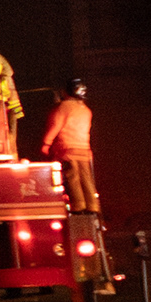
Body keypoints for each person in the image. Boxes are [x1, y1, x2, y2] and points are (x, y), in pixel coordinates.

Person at [41, 78, 98, 212]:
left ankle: (79, 206)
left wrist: (46, 144)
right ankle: (93, 206)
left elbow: (55, 126)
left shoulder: (63, 107)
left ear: (67, 91)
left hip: (67, 149)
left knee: (73, 178)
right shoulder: (86, 110)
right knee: (87, 180)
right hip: (84, 149)